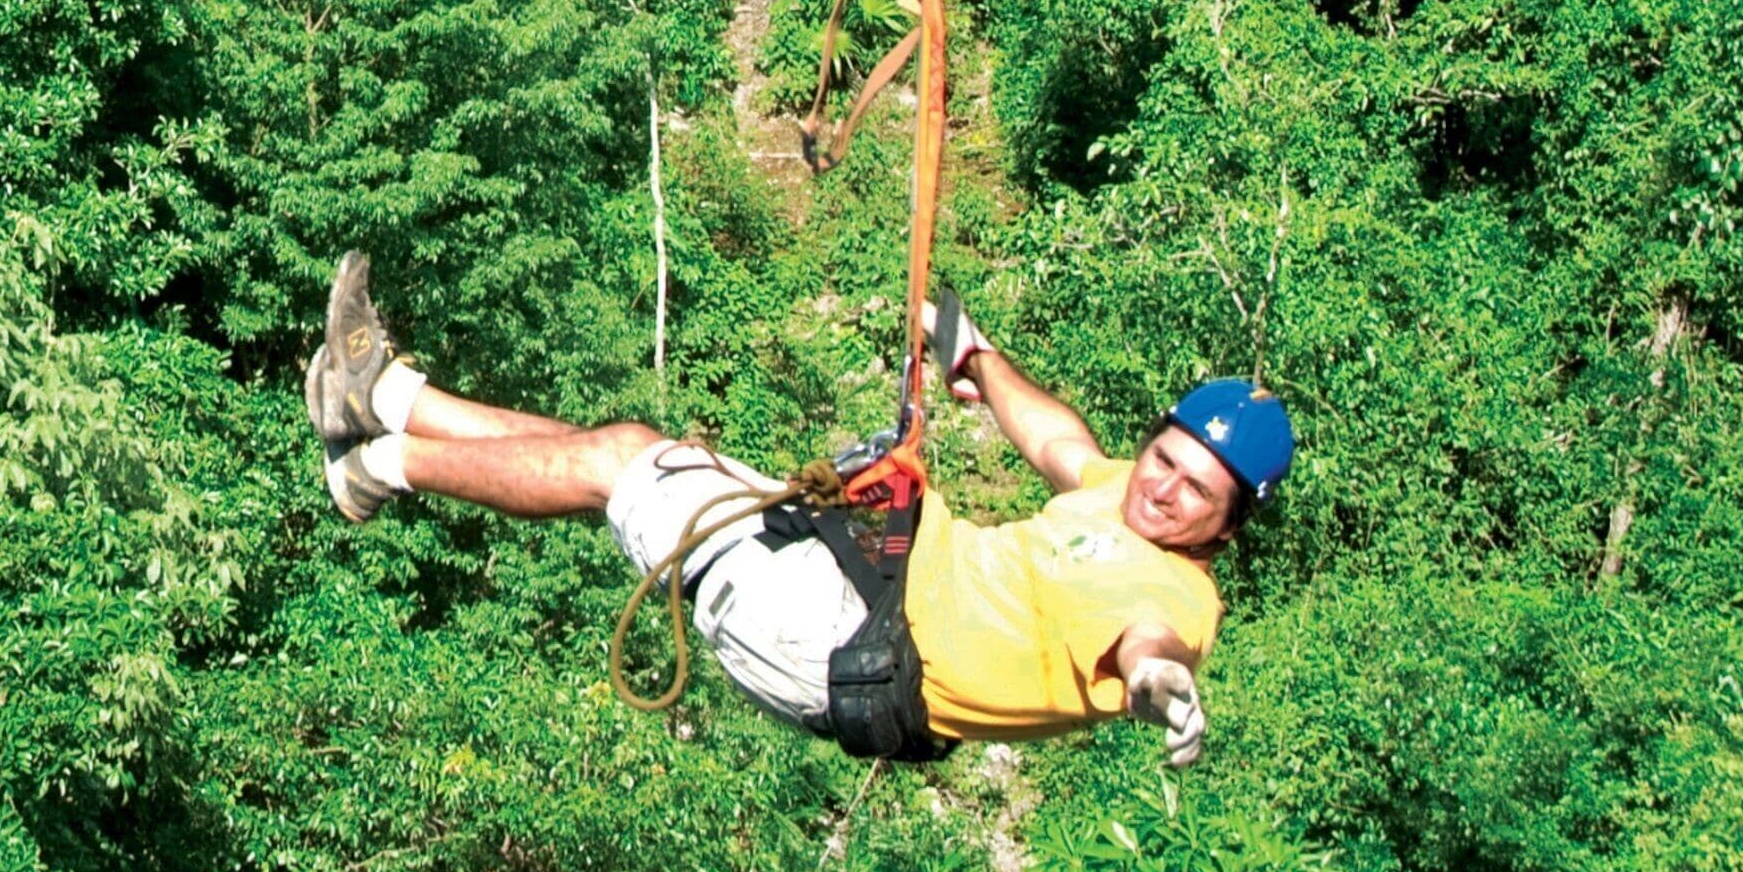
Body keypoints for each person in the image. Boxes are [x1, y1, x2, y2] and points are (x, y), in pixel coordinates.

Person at [301, 253, 1292, 761]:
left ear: (1227, 526)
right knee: (635, 451)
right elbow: (1060, 442)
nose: (1162, 487)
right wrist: (975, 354)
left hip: (841, 642)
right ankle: (383, 399)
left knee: (614, 465)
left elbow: (1149, 647)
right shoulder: (1121, 494)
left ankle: (379, 461)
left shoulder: (1173, 594)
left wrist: (1168, 691)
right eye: (1164, 457)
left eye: (1194, 490)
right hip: (853, 579)